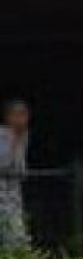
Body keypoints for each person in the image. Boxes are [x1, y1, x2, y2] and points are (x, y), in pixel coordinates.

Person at [0, 98, 30, 250]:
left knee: (18, 238)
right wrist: (14, 141)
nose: (22, 118)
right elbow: (3, 164)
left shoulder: (23, 135)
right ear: (8, 116)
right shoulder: (2, 135)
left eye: (24, 114)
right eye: (18, 114)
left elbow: (20, 167)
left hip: (14, 194)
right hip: (1, 193)